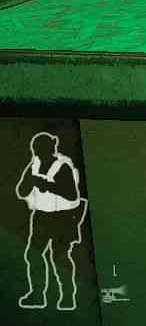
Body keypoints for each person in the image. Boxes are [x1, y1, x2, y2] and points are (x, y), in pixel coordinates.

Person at [15, 132, 87, 311]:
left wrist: (46, 185)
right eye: (37, 150)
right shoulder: (35, 164)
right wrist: (31, 182)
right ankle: (37, 295)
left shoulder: (63, 166)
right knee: (33, 255)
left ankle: (68, 297)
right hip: (41, 217)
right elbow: (21, 191)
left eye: (42, 149)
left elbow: (72, 194)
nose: (39, 153)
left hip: (63, 218)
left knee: (59, 256)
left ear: (51, 148)